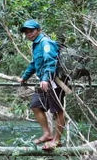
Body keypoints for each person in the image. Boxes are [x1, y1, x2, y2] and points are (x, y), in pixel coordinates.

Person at [19, 19, 64, 150]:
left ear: (38, 30)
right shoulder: (36, 44)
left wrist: (46, 79)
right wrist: (24, 77)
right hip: (45, 81)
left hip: (54, 81)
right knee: (35, 105)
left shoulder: (45, 42)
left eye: (31, 31)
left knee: (58, 111)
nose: (29, 34)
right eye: (26, 32)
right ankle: (47, 134)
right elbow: (34, 63)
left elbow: (51, 62)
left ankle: (57, 140)